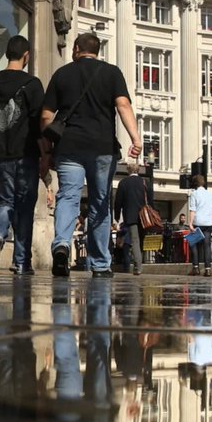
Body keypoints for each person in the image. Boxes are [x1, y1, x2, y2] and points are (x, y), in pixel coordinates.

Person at [41, 32, 142, 277]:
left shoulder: (62, 74)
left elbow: (46, 116)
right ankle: (99, 264)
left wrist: (46, 148)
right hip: (102, 148)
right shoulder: (112, 72)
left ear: (76, 49)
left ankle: (62, 245)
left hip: (69, 147)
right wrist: (135, 139)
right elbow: (123, 105)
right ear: (97, 50)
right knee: (99, 203)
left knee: (68, 197)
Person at [0, 35, 45, 275]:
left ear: (7, 54)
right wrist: (45, 156)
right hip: (26, 152)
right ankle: (21, 261)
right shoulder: (33, 84)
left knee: (6, 201)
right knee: (25, 207)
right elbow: (40, 124)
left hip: (1, 153)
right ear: (26, 55)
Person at [113, 162, 152, 275]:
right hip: (145, 216)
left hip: (131, 216)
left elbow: (118, 201)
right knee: (141, 240)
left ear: (128, 171)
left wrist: (116, 215)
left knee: (135, 240)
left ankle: (138, 266)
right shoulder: (146, 182)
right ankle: (140, 262)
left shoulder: (123, 183)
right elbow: (150, 200)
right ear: (138, 170)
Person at [186, 175, 212, 276]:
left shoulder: (194, 194)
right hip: (209, 223)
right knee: (207, 245)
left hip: (198, 222)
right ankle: (208, 269)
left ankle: (195, 268)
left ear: (195, 184)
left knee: (193, 243)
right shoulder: (211, 194)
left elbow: (193, 210)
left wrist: (190, 223)